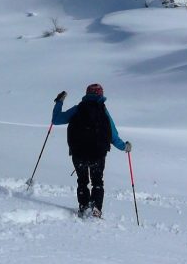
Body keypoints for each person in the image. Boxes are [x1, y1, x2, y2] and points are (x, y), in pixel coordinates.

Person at [52, 83, 131, 218]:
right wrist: (125, 146)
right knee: (97, 182)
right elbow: (113, 136)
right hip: (98, 154)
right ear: (100, 94)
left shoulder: (78, 109)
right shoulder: (103, 111)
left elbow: (56, 120)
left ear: (87, 94)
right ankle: (96, 208)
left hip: (78, 153)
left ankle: (83, 207)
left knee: (82, 181)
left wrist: (59, 102)